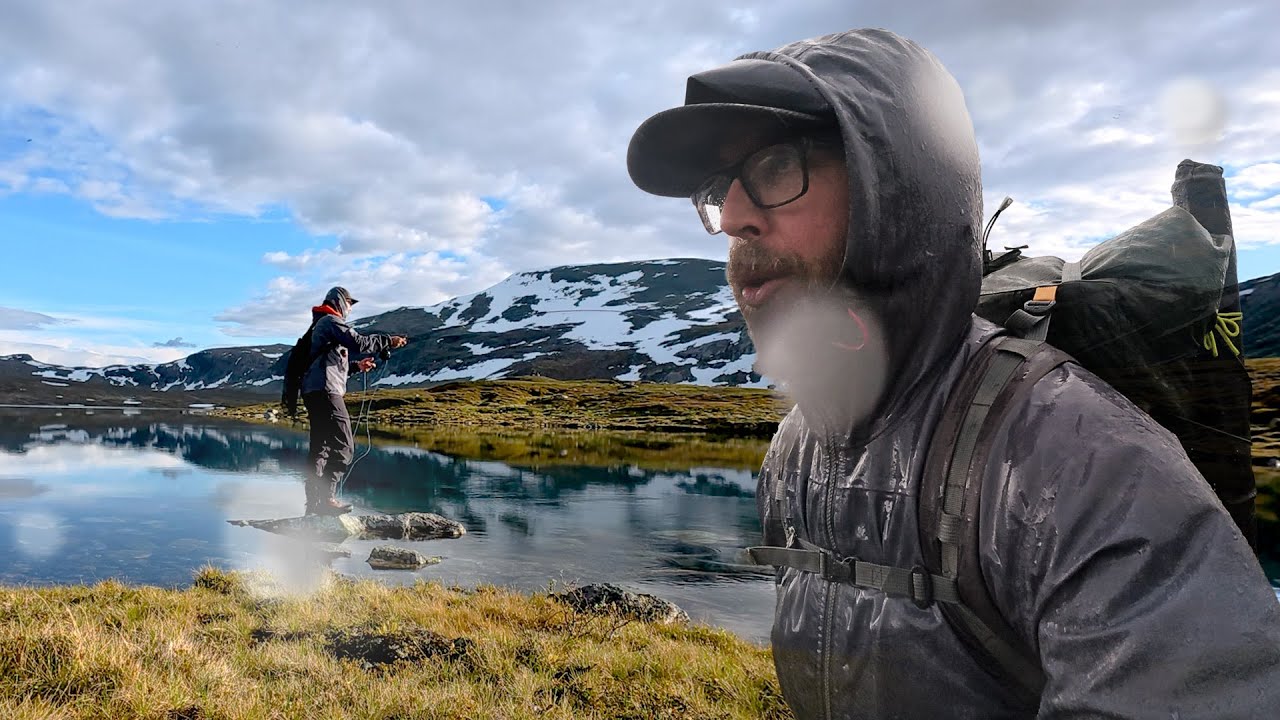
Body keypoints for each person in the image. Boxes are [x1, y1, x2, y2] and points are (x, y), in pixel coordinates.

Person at [627, 28, 1280, 719]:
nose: (732, 217)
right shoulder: (796, 448)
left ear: (898, 191)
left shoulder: (1087, 468)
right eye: (718, 191)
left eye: (777, 167)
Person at [300, 286, 407, 515]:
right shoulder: (331, 321)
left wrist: (357, 367)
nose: (350, 308)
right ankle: (327, 499)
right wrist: (388, 341)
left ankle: (314, 504)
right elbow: (358, 343)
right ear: (340, 301)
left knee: (321, 447)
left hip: (314, 390)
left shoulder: (319, 325)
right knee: (343, 444)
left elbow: (326, 364)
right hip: (326, 391)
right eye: (349, 303)